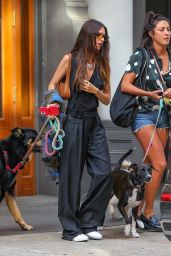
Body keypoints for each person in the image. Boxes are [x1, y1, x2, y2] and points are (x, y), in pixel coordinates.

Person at [48, 19, 112, 242]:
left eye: (104, 36)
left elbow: (107, 99)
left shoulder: (103, 64)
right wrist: (55, 103)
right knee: (71, 178)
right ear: (88, 36)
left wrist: (95, 90)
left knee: (104, 172)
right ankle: (70, 229)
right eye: (99, 36)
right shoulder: (70, 59)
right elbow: (51, 85)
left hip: (94, 123)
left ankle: (88, 220)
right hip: (73, 121)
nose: (102, 40)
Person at [121, 11, 171, 232]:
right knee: (160, 164)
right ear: (151, 33)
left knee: (153, 167)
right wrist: (149, 94)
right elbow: (125, 85)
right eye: (162, 29)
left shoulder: (170, 56)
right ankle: (149, 212)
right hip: (143, 114)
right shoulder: (140, 55)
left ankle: (138, 210)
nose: (167, 33)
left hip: (164, 116)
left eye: (168, 29)